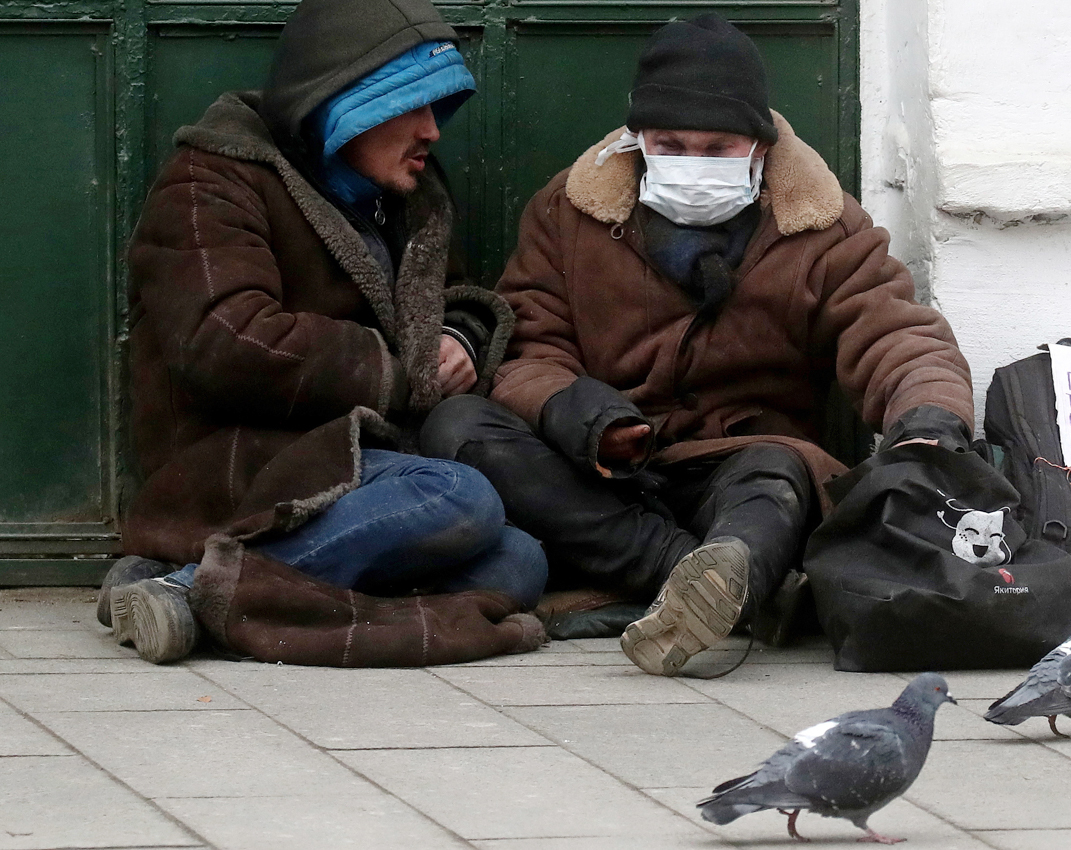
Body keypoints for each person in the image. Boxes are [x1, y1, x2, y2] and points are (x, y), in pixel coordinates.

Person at [421, 14, 974, 676]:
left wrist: (930, 421)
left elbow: (896, 333)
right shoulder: (567, 212)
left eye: (718, 149)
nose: (694, 163)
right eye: (672, 143)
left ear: (761, 148)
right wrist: (580, 413)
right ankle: (700, 580)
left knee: (777, 479)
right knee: (458, 425)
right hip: (602, 468)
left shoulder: (824, 227)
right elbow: (530, 344)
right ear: (639, 141)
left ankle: (725, 571)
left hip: (742, 462)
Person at [104, 0, 548, 665]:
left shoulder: (404, 196)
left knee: (519, 563)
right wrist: (403, 372)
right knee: (457, 496)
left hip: (360, 462)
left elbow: (448, 299)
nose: (433, 130)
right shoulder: (211, 182)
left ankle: (189, 595)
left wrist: (456, 333)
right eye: (415, 105)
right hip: (239, 463)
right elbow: (227, 341)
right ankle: (191, 585)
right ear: (350, 99)